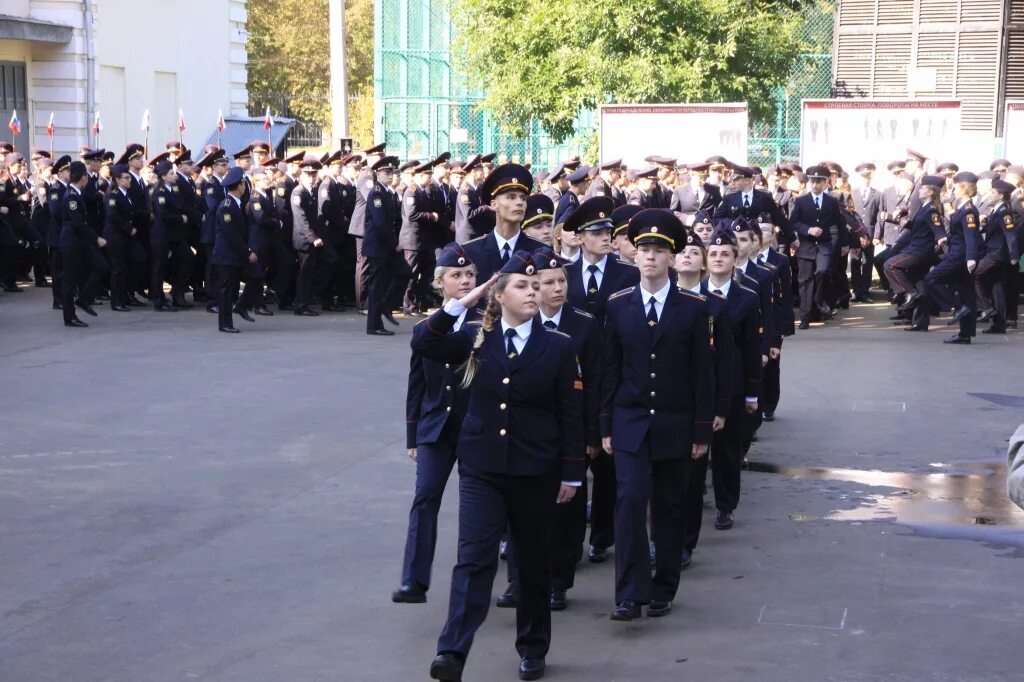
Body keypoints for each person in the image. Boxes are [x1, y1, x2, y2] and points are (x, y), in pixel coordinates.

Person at [420, 251, 584, 682]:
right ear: (499, 294)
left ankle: (532, 648)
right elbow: (425, 342)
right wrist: (463, 301)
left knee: (531, 565)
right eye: (523, 286)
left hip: (536, 469)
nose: (533, 292)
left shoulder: (558, 346)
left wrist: (571, 472)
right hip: (482, 466)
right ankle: (452, 651)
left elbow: (571, 413)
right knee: (473, 559)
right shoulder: (477, 335)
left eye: (537, 286)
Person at [601, 209, 714, 621]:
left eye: (658, 250)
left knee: (669, 506)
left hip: (675, 423)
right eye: (644, 249)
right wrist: (605, 424)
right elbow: (608, 370)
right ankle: (630, 592)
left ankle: (663, 585)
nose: (649, 256)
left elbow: (704, 373)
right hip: (629, 422)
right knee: (629, 501)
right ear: (634, 255)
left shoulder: (693, 307)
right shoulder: (617, 305)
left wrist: (702, 429)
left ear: (672, 257)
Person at [393, 243, 479, 605]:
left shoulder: (485, 323)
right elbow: (417, 384)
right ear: (440, 283)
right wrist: (413, 434)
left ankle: (477, 577)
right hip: (435, 429)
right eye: (456, 276)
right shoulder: (427, 326)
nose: (464, 281)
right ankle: (414, 580)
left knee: (478, 508)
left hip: (475, 428)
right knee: (425, 498)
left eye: (470, 275)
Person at [912, 172, 982, 341]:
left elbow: (971, 235)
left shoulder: (968, 210)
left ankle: (957, 307)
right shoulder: (962, 208)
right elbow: (958, 234)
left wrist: (971, 257)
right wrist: (942, 245)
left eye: (957, 187)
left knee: (931, 278)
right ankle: (965, 334)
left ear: (964, 188)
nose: (954, 190)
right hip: (959, 253)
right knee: (966, 293)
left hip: (960, 256)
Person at [461, 163, 546, 282]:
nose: (519, 202)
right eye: (511, 197)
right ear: (494, 204)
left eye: (523, 198)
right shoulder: (471, 251)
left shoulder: (541, 251)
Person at [885, 175, 947, 330]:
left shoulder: (932, 209)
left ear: (931, 192)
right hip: (917, 249)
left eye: (923, 188)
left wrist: (941, 239)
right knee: (921, 285)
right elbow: (919, 226)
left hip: (920, 251)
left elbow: (938, 229)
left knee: (890, 265)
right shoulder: (924, 207)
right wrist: (903, 222)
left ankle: (908, 292)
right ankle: (920, 322)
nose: (920, 190)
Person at [791, 166, 846, 328]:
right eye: (812, 181)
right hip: (806, 247)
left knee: (822, 272)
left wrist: (845, 243)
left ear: (825, 182)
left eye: (819, 182)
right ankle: (805, 317)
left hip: (824, 245)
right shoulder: (801, 201)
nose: (815, 185)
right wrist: (808, 230)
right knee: (805, 282)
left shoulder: (832, 201)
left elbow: (840, 223)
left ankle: (819, 299)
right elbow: (793, 222)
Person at [364, 155, 411, 336]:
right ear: (377, 173)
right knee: (377, 285)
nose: (390, 175)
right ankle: (373, 325)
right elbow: (379, 222)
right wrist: (395, 243)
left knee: (405, 272)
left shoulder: (388, 193)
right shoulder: (376, 193)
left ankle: (385, 305)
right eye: (386, 172)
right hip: (379, 246)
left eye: (391, 172)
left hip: (388, 245)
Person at [59, 161, 108, 327]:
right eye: (86, 176)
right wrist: (96, 238)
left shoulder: (78, 192)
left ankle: (84, 299)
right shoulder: (71, 196)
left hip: (81, 241)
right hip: (72, 243)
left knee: (101, 266)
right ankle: (69, 317)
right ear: (83, 178)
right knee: (70, 280)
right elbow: (77, 223)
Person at [212, 167, 260, 333]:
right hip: (227, 256)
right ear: (240, 186)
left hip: (236, 255)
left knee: (256, 276)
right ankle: (225, 324)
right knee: (226, 290)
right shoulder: (227, 206)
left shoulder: (237, 204)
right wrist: (248, 253)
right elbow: (232, 235)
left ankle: (241, 306)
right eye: (243, 184)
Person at [974, 179, 1020, 334]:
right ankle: (999, 324)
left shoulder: (1004, 212)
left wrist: (1014, 255)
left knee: (973, 274)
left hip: (996, 254)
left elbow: (1010, 235)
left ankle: (985, 308)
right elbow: (995, 232)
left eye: (993, 192)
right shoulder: (996, 210)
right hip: (993, 251)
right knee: (997, 288)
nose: (990, 195)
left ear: (1001, 196)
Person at [149, 159, 194, 311]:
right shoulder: (160, 192)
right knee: (159, 266)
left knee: (187, 257)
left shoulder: (173, 189)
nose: (175, 176)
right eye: (171, 173)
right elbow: (162, 214)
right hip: (162, 233)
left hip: (174, 234)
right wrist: (180, 217)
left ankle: (177, 292)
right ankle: (158, 299)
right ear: (163, 176)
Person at [851, 162, 881, 302]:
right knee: (855, 262)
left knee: (868, 263)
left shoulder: (878, 194)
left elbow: (879, 216)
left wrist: (876, 236)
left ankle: (865, 291)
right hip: (855, 235)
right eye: (863, 176)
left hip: (870, 235)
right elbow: (850, 215)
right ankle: (856, 291)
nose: (865, 179)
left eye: (868, 176)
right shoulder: (852, 193)